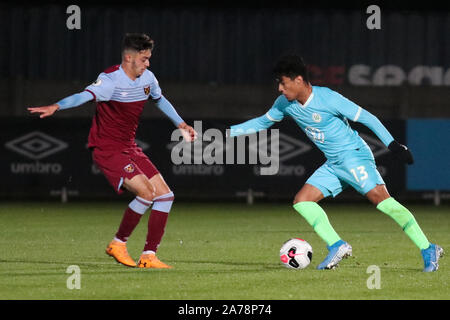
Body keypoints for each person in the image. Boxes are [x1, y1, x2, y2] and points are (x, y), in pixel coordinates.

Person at [228, 55, 443, 272]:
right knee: (302, 201)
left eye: (283, 83)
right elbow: (262, 122)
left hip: (353, 156)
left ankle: (428, 248)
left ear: (299, 80)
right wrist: (227, 132)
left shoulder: (328, 98)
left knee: (382, 201)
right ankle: (337, 245)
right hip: (334, 163)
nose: (280, 89)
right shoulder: (285, 104)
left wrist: (394, 145)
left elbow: (366, 117)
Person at [28, 33, 197, 269]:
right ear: (129, 58)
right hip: (107, 149)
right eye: (144, 59)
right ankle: (118, 243)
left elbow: (160, 99)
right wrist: (56, 105)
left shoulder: (148, 78)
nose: (148, 63)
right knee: (147, 193)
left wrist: (180, 123)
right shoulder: (110, 81)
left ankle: (148, 255)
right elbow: (82, 96)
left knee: (165, 196)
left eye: (149, 59)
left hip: (129, 147)